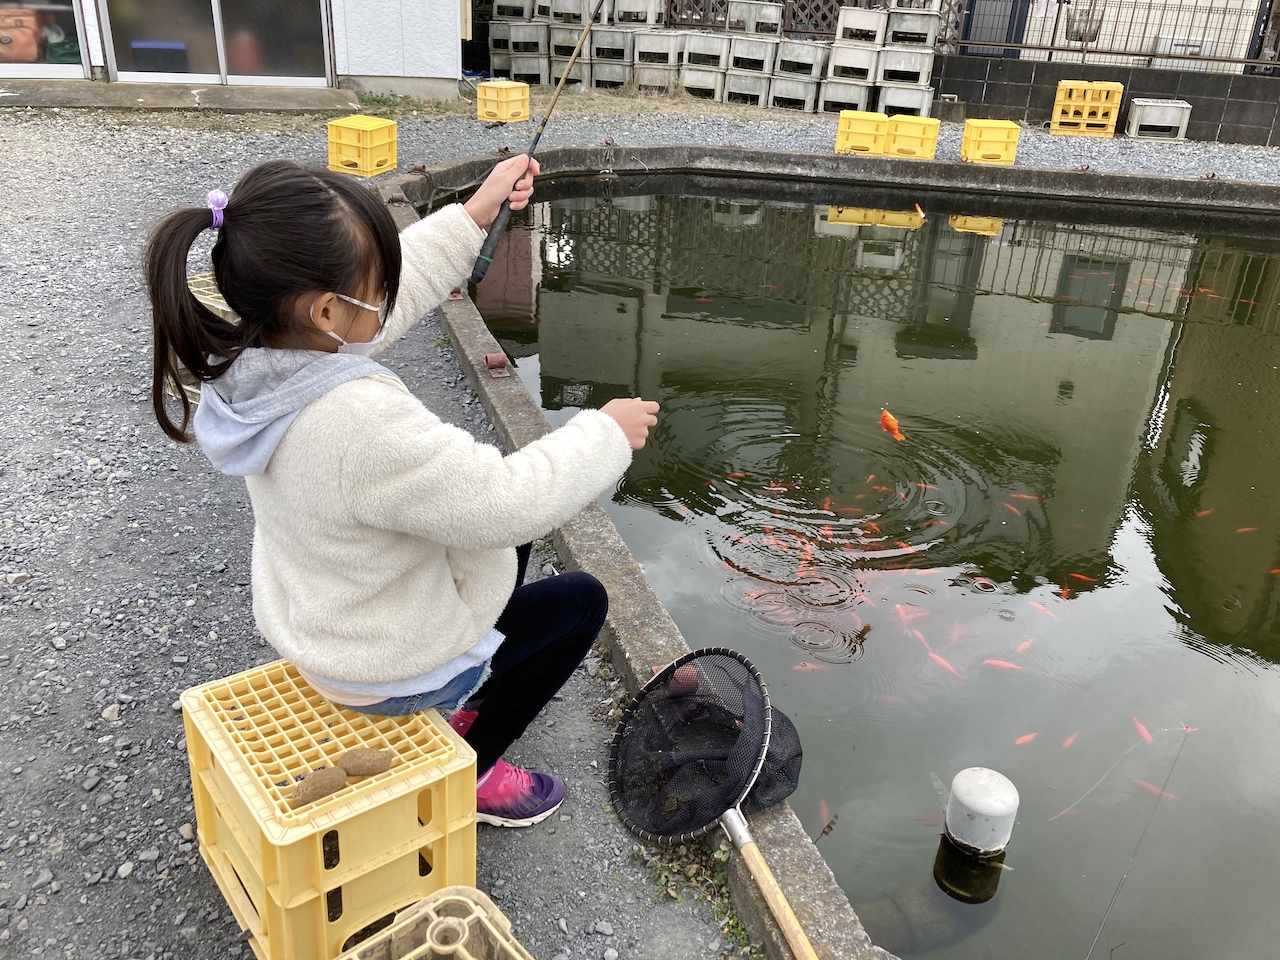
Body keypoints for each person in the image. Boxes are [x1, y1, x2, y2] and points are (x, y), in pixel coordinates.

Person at [145, 155, 659, 827]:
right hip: (389, 670)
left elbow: (377, 308)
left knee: (507, 522)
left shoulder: (252, 347)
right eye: (374, 284)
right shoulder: (356, 423)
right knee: (580, 601)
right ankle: (472, 768)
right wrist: (606, 433)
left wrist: (475, 216)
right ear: (326, 310)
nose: (387, 295)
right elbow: (509, 501)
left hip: (325, 624)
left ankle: (462, 698)